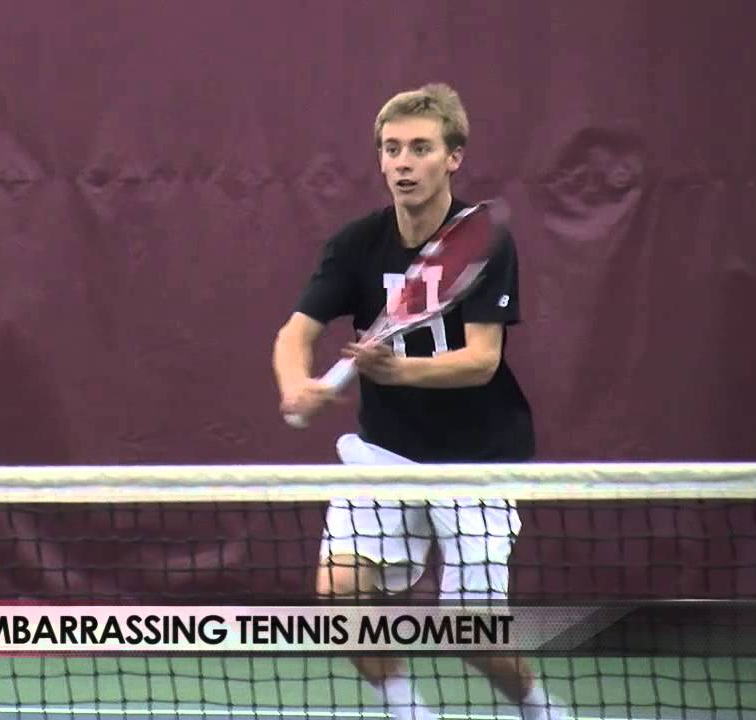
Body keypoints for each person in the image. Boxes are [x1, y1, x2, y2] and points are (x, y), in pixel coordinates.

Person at [271, 82, 571, 720]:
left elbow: (481, 361)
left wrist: (395, 371)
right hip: (385, 452)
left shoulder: (484, 241)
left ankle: (541, 711)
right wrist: (295, 381)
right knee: (341, 596)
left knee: (470, 630)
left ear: (452, 157)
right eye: (391, 149)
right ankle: (410, 713)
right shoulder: (357, 243)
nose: (402, 162)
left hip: (477, 460)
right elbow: (296, 332)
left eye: (420, 148)